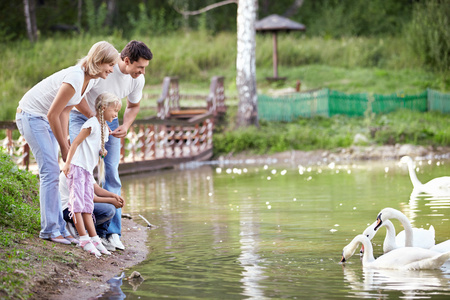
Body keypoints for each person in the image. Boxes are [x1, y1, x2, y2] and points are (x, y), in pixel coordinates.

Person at [15, 41, 118, 244]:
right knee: (50, 172)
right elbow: (53, 112)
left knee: (56, 171)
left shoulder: (91, 80)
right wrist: (64, 146)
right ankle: (50, 230)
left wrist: (94, 120)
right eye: (110, 65)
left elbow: (68, 107)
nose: (112, 70)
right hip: (32, 116)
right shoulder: (75, 77)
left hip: (46, 118)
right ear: (99, 61)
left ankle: (61, 227)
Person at [69, 40, 153, 250]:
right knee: (81, 168)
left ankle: (112, 232)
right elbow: (76, 95)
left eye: (144, 68)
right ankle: (74, 224)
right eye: (140, 67)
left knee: (111, 171)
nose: (142, 72)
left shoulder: (137, 80)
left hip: (110, 121)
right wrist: (94, 120)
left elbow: (134, 105)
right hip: (82, 117)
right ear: (126, 60)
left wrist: (125, 124)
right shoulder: (106, 64)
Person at [62, 92, 122, 256]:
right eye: (114, 111)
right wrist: (67, 164)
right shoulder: (91, 124)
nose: (116, 115)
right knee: (78, 206)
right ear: (103, 108)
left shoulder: (103, 128)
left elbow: (95, 147)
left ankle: (94, 238)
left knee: (87, 206)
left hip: (87, 170)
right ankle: (83, 239)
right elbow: (75, 143)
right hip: (77, 167)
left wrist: (102, 152)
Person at [58, 171, 125, 251]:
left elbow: (97, 189)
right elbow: (88, 197)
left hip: (79, 206)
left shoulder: (85, 169)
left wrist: (114, 196)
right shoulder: (75, 171)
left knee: (109, 207)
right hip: (68, 210)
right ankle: (78, 228)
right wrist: (111, 200)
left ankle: (99, 236)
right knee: (109, 209)